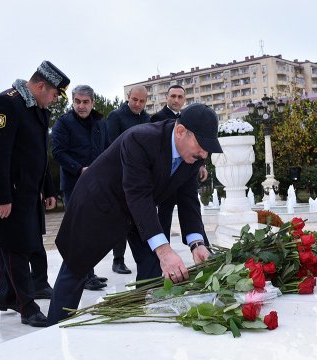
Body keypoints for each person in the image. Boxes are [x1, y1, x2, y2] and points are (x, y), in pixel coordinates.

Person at [48, 103, 222, 324]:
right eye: (202, 145)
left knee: (151, 263)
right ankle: (52, 329)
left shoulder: (193, 155)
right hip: (100, 204)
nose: (204, 153)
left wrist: (197, 244)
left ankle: (135, 318)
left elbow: (188, 201)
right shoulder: (140, 139)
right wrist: (165, 250)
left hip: (137, 209)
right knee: (75, 269)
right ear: (180, 132)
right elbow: (137, 194)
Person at [0, 61, 69, 327]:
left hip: (28, 192)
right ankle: (27, 308)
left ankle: (6, 296)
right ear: (40, 86)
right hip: (10, 193)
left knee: (13, 245)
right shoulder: (6, 104)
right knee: (15, 248)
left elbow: (39, 153)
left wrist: (48, 188)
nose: (54, 100)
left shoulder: (37, 108)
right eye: (53, 94)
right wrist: (2, 198)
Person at [51, 85, 111, 291]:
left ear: (93, 102)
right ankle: (80, 276)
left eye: (85, 102)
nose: (81, 106)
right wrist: (79, 169)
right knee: (78, 231)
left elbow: (108, 149)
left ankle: (89, 274)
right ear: (73, 102)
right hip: (73, 185)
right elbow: (58, 152)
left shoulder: (100, 123)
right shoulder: (63, 122)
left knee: (92, 230)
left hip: (97, 186)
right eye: (77, 101)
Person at [151, 85, 209, 240]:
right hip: (167, 174)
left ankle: (200, 243)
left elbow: (198, 141)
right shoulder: (157, 118)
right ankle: (163, 246)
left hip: (186, 171)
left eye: (179, 97)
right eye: (173, 96)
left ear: (184, 99)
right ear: (167, 97)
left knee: (190, 205)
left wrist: (201, 164)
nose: (176, 100)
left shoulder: (189, 117)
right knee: (165, 212)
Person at [106, 85, 151, 274]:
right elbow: (111, 146)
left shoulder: (147, 119)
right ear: (128, 97)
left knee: (140, 217)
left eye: (142, 101)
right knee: (121, 220)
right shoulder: (115, 117)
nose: (138, 104)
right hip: (120, 175)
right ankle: (118, 260)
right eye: (135, 100)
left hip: (142, 176)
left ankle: (145, 259)